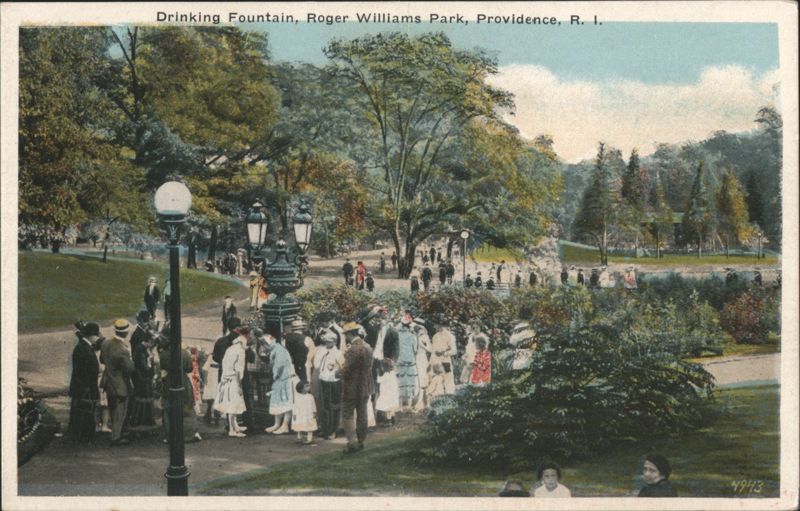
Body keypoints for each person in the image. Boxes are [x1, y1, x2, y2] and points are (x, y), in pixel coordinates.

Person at [340, 321, 374, 454]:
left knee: (348, 413)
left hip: (351, 386)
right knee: (362, 413)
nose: (345, 337)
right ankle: (361, 441)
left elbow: (347, 369)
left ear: (350, 334)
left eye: (346, 334)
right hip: (365, 385)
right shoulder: (368, 347)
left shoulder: (353, 349)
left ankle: (352, 442)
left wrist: (338, 372)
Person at [101, 319, 135, 446]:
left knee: (112, 408)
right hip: (120, 383)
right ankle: (116, 437)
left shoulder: (105, 343)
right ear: (126, 333)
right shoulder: (123, 350)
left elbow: (102, 360)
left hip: (108, 381)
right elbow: (130, 368)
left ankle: (117, 432)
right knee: (120, 411)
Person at [69, 321, 101, 443]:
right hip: (84, 387)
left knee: (83, 413)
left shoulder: (84, 347)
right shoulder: (82, 349)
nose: (97, 339)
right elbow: (82, 371)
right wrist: (86, 387)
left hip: (84, 387)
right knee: (83, 413)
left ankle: (83, 435)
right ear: (91, 336)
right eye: (96, 336)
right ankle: (82, 436)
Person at [214, 325, 248, 437]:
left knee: (231, 404)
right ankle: (232, 430)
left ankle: (235, 425)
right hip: (233, 379)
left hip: (226, 378)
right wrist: (239, 386)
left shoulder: (231, 349)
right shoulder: (240, 351)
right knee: (233, 405)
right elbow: (238, 370)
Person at [262, 329, 296, 435]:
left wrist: (275, 376)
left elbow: (279, 366)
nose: (265, 348)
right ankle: (277, 424)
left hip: (285, 379)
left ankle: (285, 425)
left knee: (286, 402)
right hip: (280, 380)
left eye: (266, 345)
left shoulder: (280, 350)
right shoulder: (275, 350)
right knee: (277, 401)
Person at [127, 325, 158, 434]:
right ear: (147, 341)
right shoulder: (141, 351)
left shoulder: (141, 349)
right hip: (143, 379)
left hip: (141, 378)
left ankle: (141, 422)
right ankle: (143, 423)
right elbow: (145, 367)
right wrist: (152, 369)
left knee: (141, 400)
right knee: (144, 400)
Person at [312, 330, 343, 439]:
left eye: (329, 342)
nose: (327, 344)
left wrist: (336, 372)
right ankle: (326, 428)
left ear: (334, 342)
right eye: (326, 342)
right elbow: (316, 365)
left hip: (334, 382)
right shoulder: (322, 351)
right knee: (324, 406)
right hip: (323, 379)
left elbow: (343, 367)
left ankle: (333, 430)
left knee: (334, 406)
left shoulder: (338, 353)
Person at [396, 314, 419, 410]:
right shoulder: (412, 336)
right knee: (410, 383)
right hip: (410, 362)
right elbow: (415, 349)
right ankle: (409, 406)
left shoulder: (397, 335)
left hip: (399, 362)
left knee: (400, 383)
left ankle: (400, 406)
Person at [291, 380, 317, 445]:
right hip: (300, 414)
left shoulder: (310, 396)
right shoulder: (297, 397)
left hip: (308, 414)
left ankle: (309, 439)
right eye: (306, 386)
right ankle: (299, 437)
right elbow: (294, 406)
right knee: (299, 426)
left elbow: (313, 405)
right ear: (301, 389)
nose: (309, 387)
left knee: (310, 426)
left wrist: (314, 412)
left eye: (308, 385)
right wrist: (294, 414)